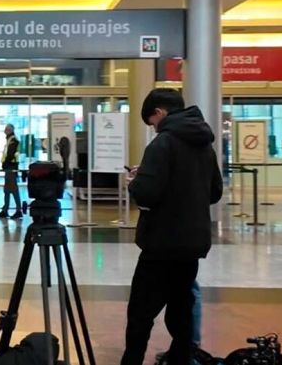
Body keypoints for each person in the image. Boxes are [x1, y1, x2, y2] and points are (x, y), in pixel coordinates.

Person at [121, 89, 223, 365]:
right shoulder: (204, 143)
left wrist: (135, 182)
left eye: (151, 122)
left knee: (141, 313)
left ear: (160, 112)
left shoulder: (163, 144)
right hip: (192, 244)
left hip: (161, 244)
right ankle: (181, 359)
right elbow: (215, 192)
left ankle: (131, 362)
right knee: (182, 310)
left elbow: (147, 194)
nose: (154, 129)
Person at [0, 124, 21, 220]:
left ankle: (18, 210)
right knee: (7, 190)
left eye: (6, 129)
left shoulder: (13, 140)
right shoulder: (10, 140)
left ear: (10, 130)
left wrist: (5, 163)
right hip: (9, 168)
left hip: (11, 168)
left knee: (13, 189)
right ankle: (5, 209)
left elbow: (10, 154)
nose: (5, 130)